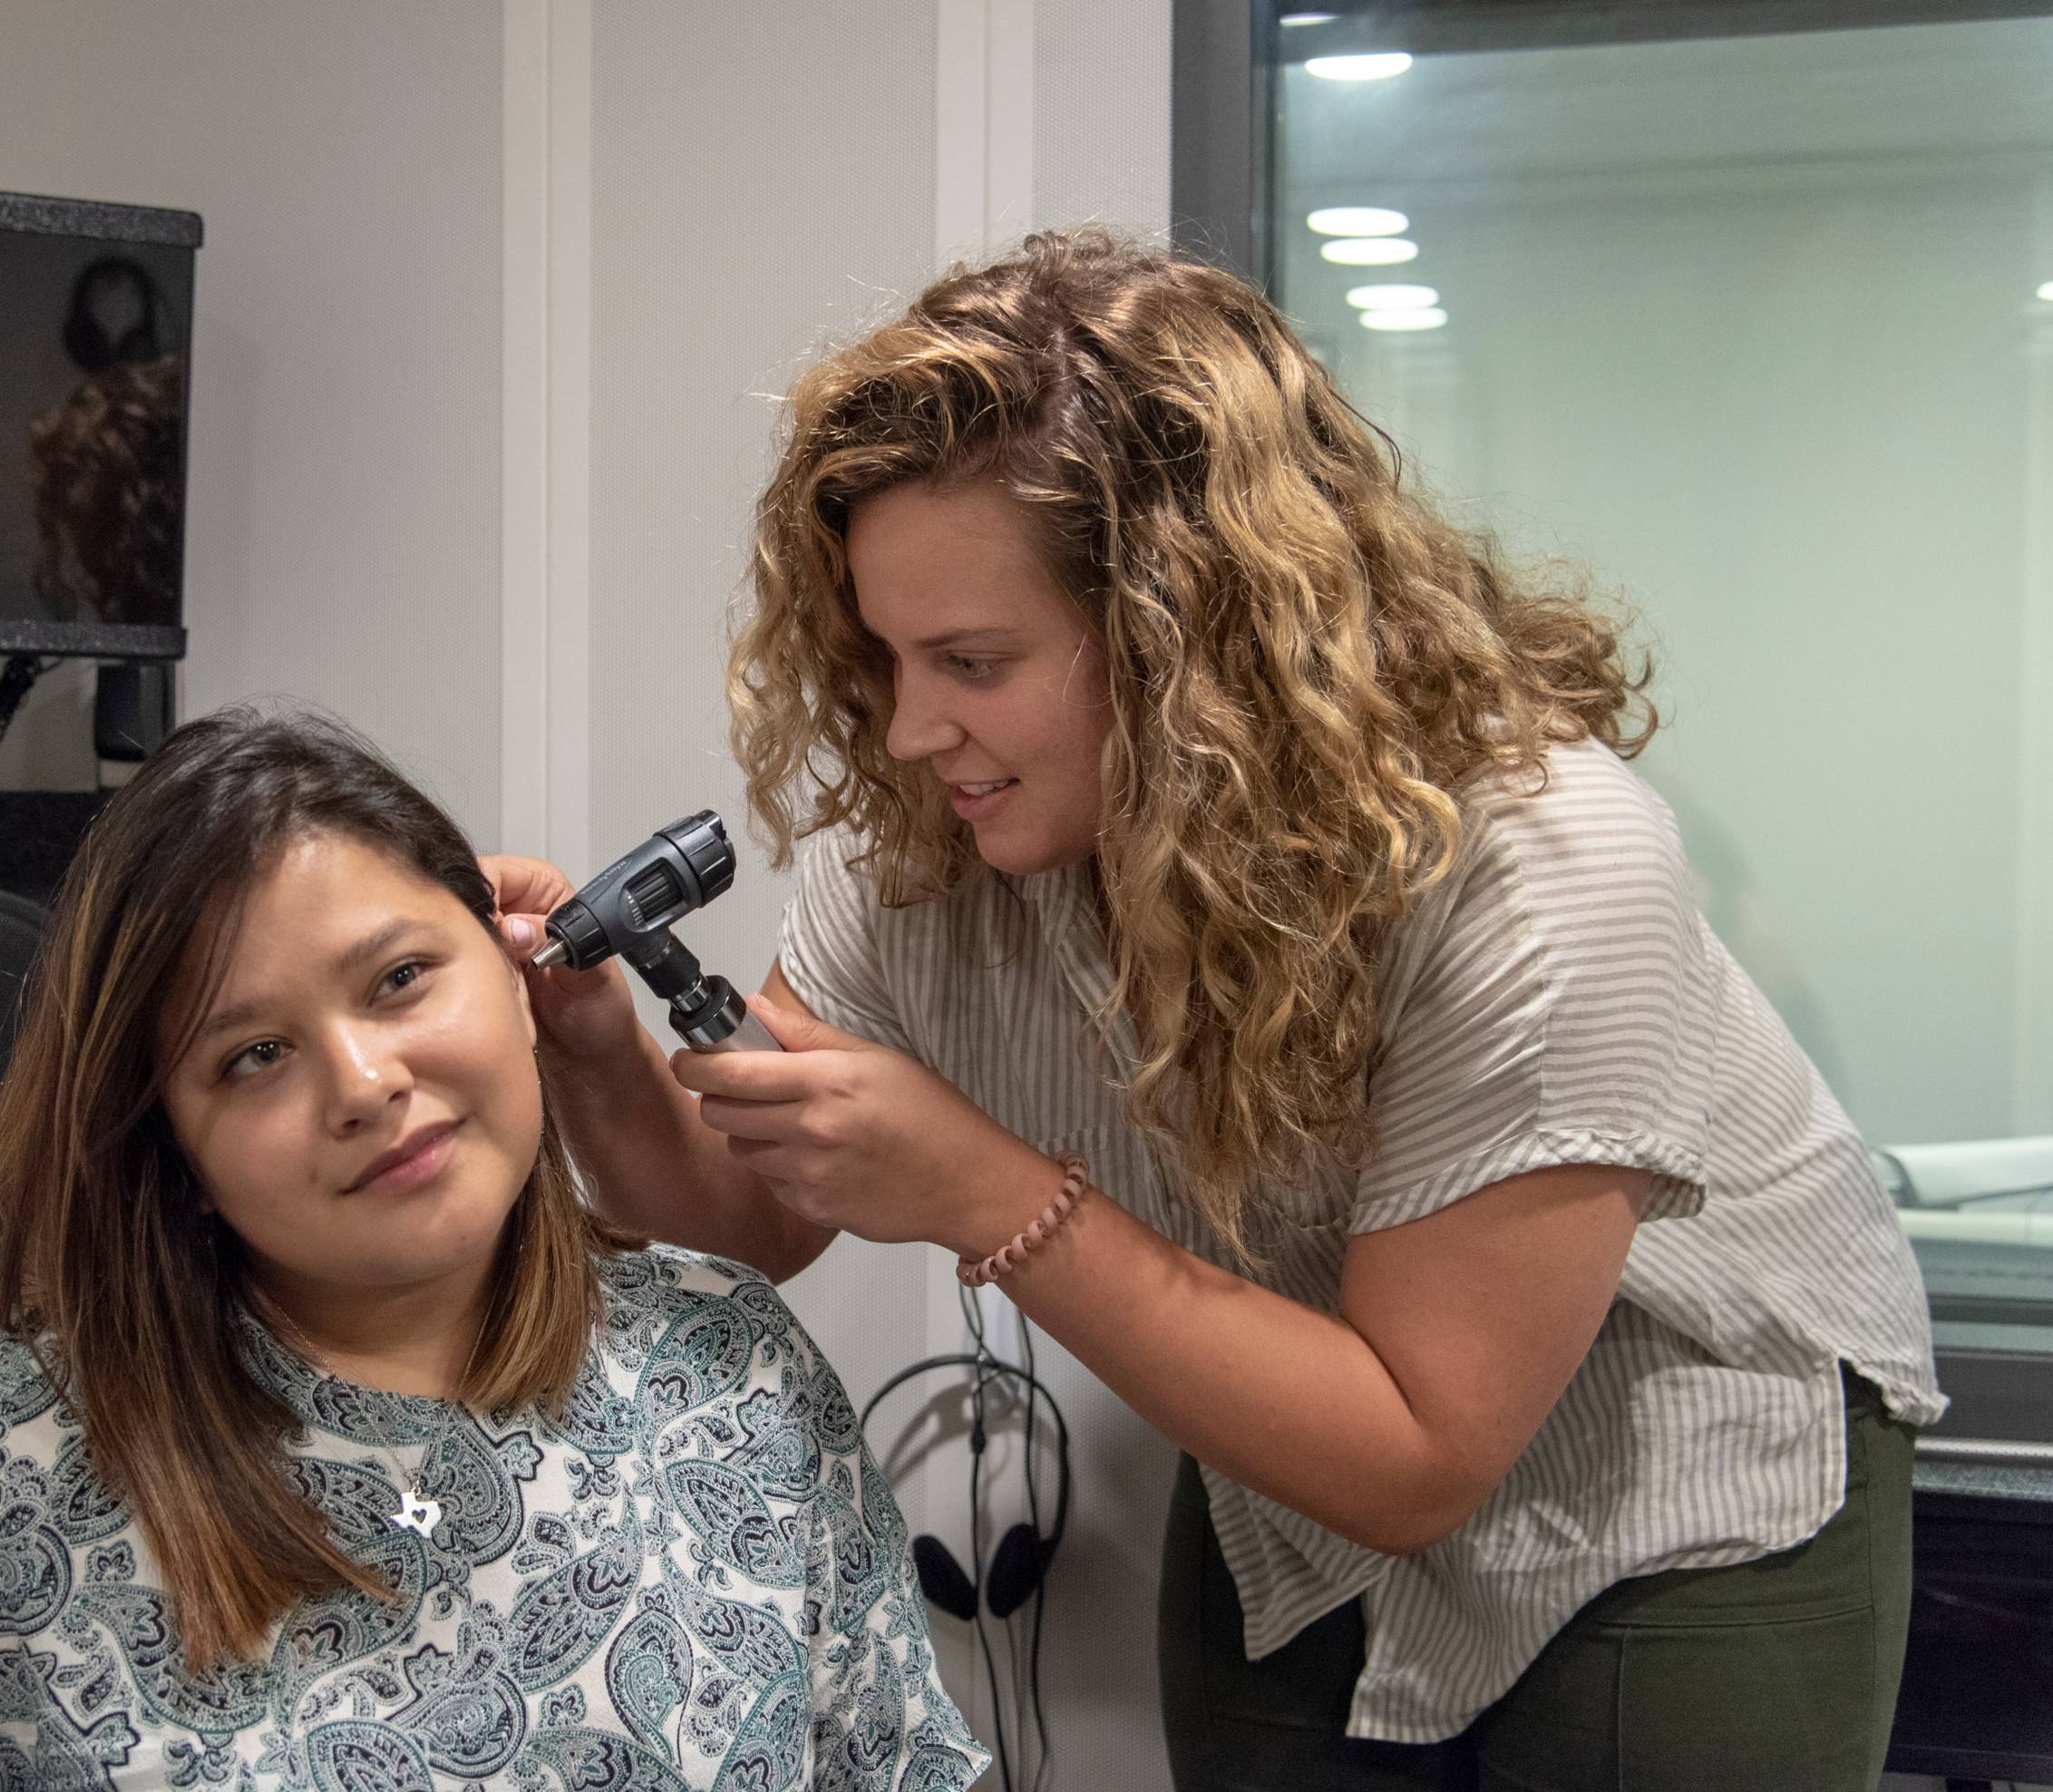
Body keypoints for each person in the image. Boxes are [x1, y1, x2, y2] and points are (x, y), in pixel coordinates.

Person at [488, 229, 1941, 1790]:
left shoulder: (1539, 869)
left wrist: (981, 1191)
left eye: (974, 660)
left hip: (1673, 1482)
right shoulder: (942, 835)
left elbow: (1415, 1459)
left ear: (1200, 633)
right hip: (1293, 1477)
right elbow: (754, 1219)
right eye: (888, 656)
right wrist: (599, 1066)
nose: (912, 728)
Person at [0, 708, 988, 1792]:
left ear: (518, 974)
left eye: (396, 981)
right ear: (177, 1154)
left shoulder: (733, 1370)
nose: (365, 1083)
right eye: (253, 1056)